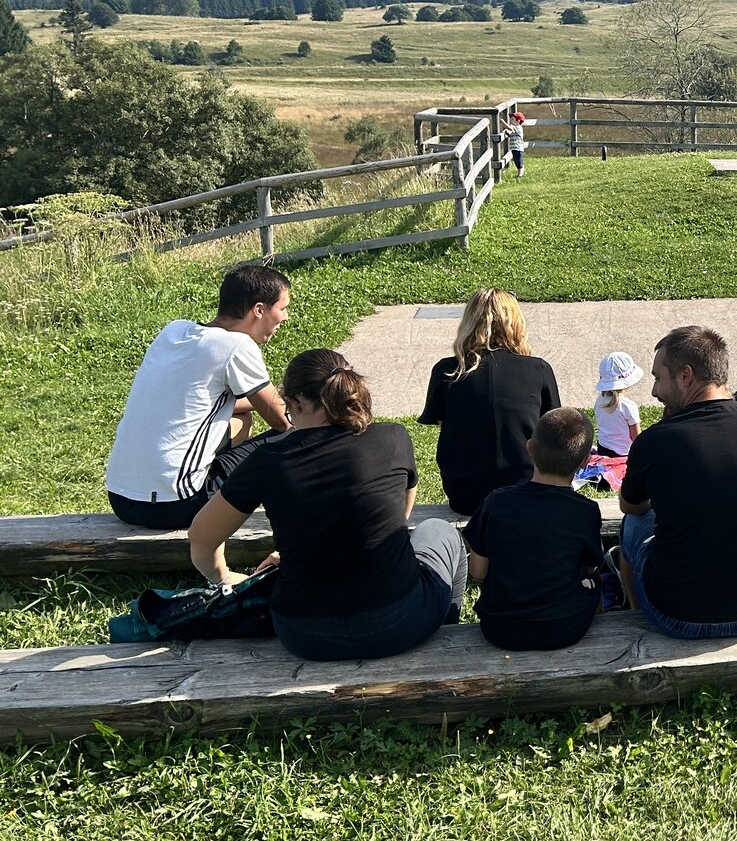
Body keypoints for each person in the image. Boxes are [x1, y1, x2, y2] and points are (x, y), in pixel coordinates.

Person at [187, 350, 467, 662]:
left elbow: (201, 536)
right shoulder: (393, 438)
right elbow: (397, 517)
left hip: (305, 635)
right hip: (401, 623)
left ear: (294, 402)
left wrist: (223, 577)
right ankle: (445, 637)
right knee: (440, 530)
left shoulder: (268, 461)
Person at [617, 326, 737, 639]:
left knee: (632, 525)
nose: (654, 391)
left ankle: (636, 610)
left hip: (672, 615)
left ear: (685, 376)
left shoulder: (653, 442)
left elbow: (630, 504)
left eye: (658, 377)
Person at [105, 264, 294, 529]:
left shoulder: (173, 332)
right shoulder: (236, 345)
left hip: (121, 499)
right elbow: (282, 421)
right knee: (295, 434)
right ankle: (301, 515)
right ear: (259, 310)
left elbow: (198, 402)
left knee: (242, 418)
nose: (285, 317)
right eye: (282, 308)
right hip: (178, 505)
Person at [464, 407, 606, 651]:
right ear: (584, 462)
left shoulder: (496, 501)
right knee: (595, 583)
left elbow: (477, 571)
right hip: (564, 628)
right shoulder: (586, 510)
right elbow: (591, 566)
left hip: (498, 628)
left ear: (529, 448)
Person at [419, 288, 561, 516]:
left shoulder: (447, 370)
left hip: (465, 492)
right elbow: (551, 429)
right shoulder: (538, 369)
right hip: (524, 487)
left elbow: (446, 429)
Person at [594, 351, 644, 457]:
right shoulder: (628, 406)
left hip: (602, 448)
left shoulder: (599, 401)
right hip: (623, 453)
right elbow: (636, 437)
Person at [505, 110, 528, 178]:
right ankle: (519, 174)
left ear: (518, 121)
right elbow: (511, 134)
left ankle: (520, 175)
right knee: (516, 161)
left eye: (512, 119)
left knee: (519, 161)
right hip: (514, 147)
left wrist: (503, 122)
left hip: (518, 148)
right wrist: (507, 134)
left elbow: (509, 128)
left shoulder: (518, 127)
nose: (511, 120)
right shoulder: (515, 128)